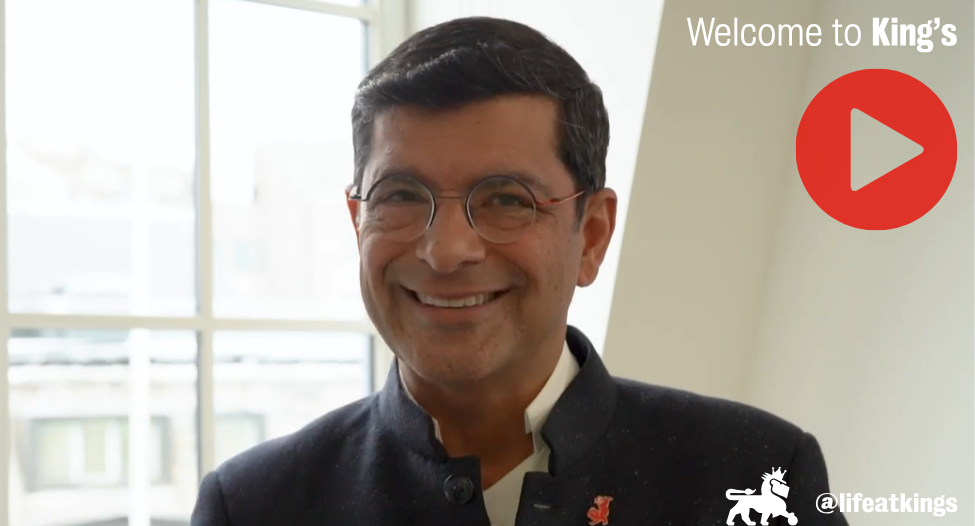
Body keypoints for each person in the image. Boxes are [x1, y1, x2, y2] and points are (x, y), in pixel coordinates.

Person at [191, 16, 847, 526]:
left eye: (506, 199)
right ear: (356, 219)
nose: (446, 251)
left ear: (590, 236)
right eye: (400, 196)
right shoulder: (254, 505)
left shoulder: (754, 475)